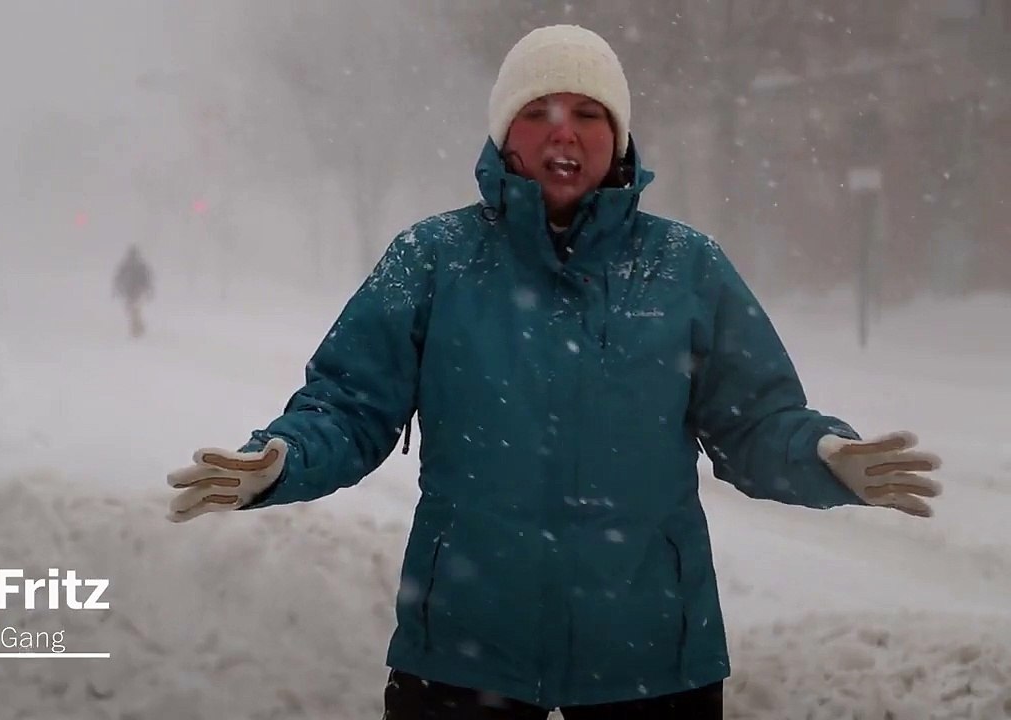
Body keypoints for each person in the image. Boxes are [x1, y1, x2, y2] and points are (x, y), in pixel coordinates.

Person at [165, 24, 943, 720]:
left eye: (589, 113)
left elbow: (754, 424)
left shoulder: (687, 269)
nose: (562, 132)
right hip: (463, 663)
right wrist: (282, 459)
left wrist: (824, 455)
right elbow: (348, 404)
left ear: (621, 136)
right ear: (505, 134)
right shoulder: (432, 260)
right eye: (538, 112)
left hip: (651, 669)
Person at [113, 244, 154, 338]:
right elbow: (147, 279)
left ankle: (136, 329)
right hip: (135, 291)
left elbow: (118, 277)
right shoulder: (139, 265)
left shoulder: (127, 265)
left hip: (132, 291)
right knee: (134, 310)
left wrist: (116, 288)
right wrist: (149, 290)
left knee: (133, 310)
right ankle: (138, 327)